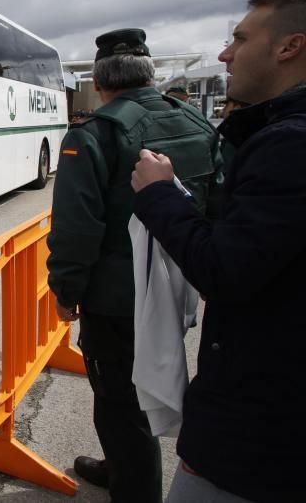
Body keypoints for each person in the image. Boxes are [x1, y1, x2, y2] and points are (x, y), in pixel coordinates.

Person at [131, 0, 306, 502]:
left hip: (262, 438)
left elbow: (226, 271)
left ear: (288, 47)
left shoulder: (288, 143)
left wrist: (160, 195)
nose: (227, 54)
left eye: (240, 39)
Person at [47, 28, 219, 502]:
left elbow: (76, 229)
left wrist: (65, 292)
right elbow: (221, 200)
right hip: (180, 283)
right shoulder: (197, 122)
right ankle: (119, 466)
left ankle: (135, 488)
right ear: (150, 73)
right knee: (147, 383)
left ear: (100, 84)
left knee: (120, 401)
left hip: (118, 298)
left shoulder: (96, 134)